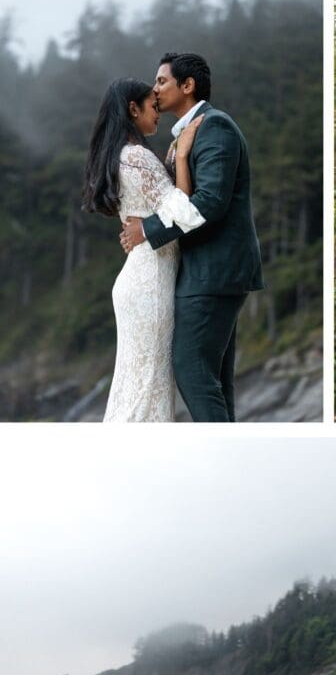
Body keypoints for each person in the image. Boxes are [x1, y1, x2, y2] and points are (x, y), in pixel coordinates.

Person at [119, 53, 264, 422]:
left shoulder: (216, 127)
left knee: (192, 371)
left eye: (162, 81)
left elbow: (210, 201)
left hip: (213, 271)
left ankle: (224, 461)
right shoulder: (185, 135)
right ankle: (233, 464)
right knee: (214, 379)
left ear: (188, 85)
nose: (155, 88)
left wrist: (147, 230)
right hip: (204, 269)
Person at [83, 77, 206, 422]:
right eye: (153, 107)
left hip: (138, 278)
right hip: (151, 282)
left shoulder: (118, 156)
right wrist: (182, 155)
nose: (158, 114)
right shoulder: (137, 157)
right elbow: (185, 213)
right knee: (147, 387)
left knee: (135, 385)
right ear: (133, 109)